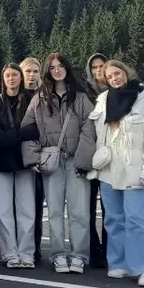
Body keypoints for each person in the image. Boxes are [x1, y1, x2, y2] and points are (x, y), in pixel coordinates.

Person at [88, 60, 144, 288]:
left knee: (137, 219)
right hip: (109, 170)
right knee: (113, 219)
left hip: (135, 169)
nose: (114, 78)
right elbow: (95, 135)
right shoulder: (102, 101)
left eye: (117, 73)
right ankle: (118, 262)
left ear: (126, 73)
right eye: (109, 76)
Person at [21, 53, 96, 274]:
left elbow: (89, 130)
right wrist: (33, 158)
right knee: (54, 211)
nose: (57, 70)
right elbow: (28, 129)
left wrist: (83, 160)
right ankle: (58, 254)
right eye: (52, 67)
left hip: (76, 161)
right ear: (48, 71)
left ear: (67, 69)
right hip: (51, 161)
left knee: (80, 211)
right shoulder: (39, 99)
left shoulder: (81, 98)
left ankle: (79, 255)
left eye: (61, 66)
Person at [0, 64, 40, 269]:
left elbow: (36, 130)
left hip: (25, 162)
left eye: (15, 75)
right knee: (5, 210)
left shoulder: (32, 100)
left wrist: (6, 134)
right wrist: (19, 134)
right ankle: (9, 253)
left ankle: (26, 253)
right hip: (1, 162)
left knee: (27, 210)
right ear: (2, 78)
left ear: (21, 77)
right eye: (7, 75)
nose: (11, 79)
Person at [84, 52, 109, 268]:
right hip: (90, 157)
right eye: (94, 67)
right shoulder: (85, 91)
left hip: (112, 158)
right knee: (87, 207)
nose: (98, 70)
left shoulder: (118, 91)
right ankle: (93, 249)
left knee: (110, 208)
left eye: (102, 65)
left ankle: (110, 250)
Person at [19, 56, 45, 264]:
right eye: (28, 71)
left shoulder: (46, 96)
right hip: (17, 160)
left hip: (41, 158)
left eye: (35, 71)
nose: (31, 75)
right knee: (19, 207)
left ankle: (34, 248)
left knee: (36, 205)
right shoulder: (14, 97)